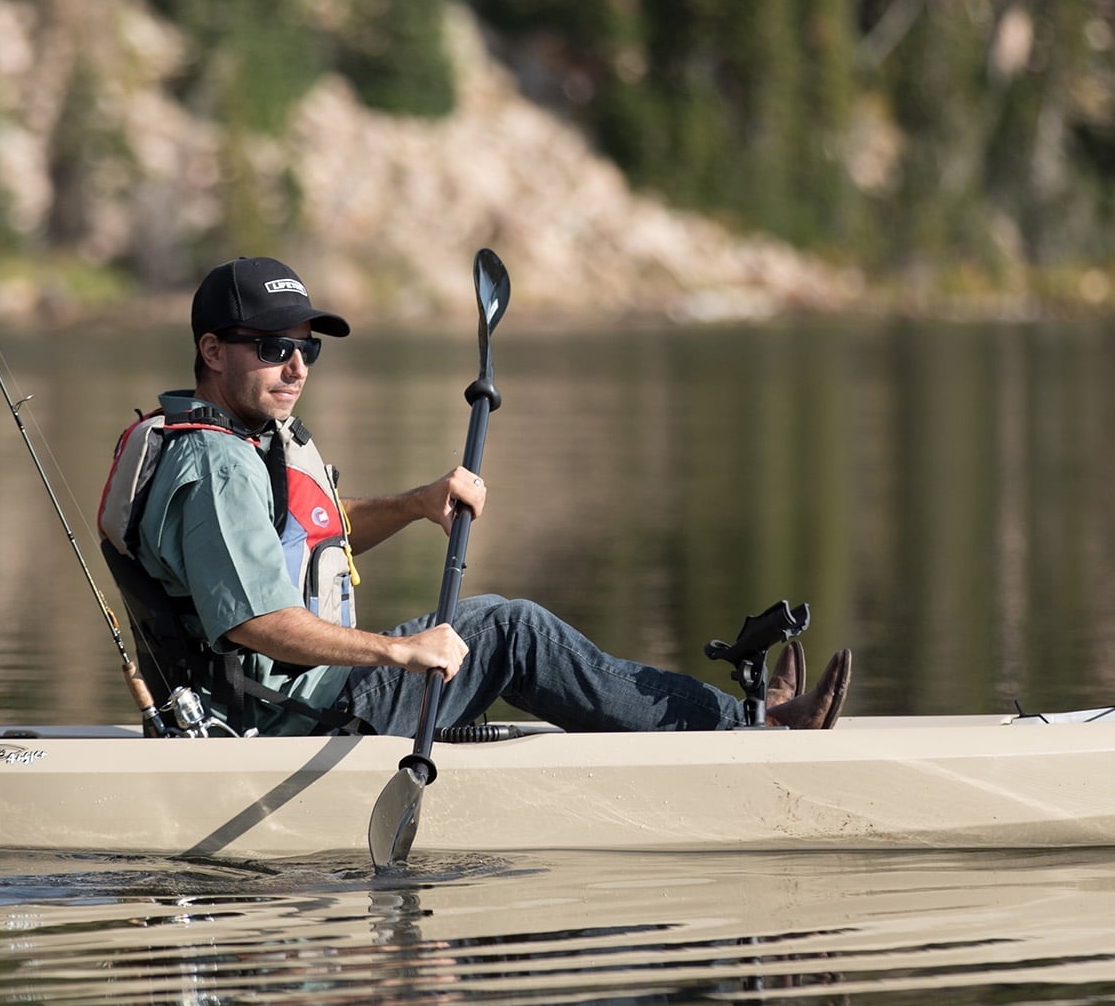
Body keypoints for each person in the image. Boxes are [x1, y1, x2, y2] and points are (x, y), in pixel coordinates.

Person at [97, 255, 851, 738]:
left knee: (490, 626)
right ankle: (750, 727)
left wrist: (418, 502)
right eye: (272, 348)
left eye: (307, 348)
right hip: (291, 717)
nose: (296, 367)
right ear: (211, 351)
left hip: (301, 697)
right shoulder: (216, 465)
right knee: (508, 632)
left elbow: (307, 544)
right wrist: (399, 651)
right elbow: (259, 620)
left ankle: (737, 718)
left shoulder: (247, 441)